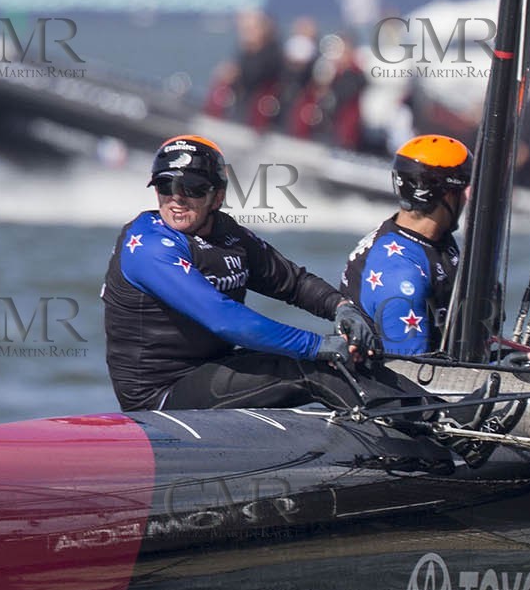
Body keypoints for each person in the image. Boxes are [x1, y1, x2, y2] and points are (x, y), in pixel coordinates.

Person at [102, 134, 390, 412]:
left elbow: (293, 283)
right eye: (166, 186)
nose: (177, 199)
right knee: (312, 368)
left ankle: (404, 408)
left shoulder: (229, 234)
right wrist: (317, 345)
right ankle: (397, 430)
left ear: (217, 197)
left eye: (191, 188)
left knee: (342, 359)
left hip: (214, 367)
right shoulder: (148, 246)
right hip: (160, 395)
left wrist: (341, 307)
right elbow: (225, 320)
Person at [341, 135, 470, 355]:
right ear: (448, 196)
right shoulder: (401, 276)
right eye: (465, 188)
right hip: (402, 372)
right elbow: (412, 372)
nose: (468, 198)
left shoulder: (433, 240)